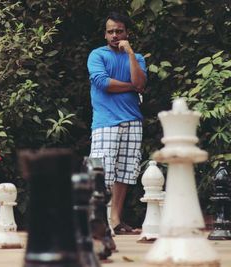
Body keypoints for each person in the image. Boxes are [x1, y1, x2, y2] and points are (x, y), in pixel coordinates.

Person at [87, 12, 147, 234]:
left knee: (125, 173)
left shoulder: (137, 57)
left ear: (126, 33)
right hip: (105, 121)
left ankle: (115, 220)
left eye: (119, 31)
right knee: (102, 173)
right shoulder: (97, 55)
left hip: (133, 121)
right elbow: (103, 83)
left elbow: (140, 81)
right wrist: (132, 86)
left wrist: (130, 53)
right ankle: (97, 220)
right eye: (110, 31)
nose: (114, 35)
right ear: (105, 34)